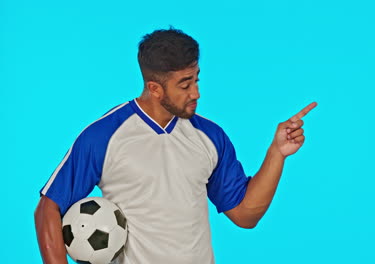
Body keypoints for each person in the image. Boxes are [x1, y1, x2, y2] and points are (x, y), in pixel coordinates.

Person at [34, 28, 317, 264]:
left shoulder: (209, 136)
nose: (196, 93)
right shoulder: (105, 136)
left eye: (196, 79)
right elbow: (48, 208)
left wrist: (277, 154)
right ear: (155, 88)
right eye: (184, 85)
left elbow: (245, 214)